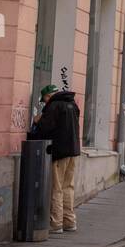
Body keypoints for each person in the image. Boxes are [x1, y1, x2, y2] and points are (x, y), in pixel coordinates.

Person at [30, 82, 81, 235]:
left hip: (59, 152)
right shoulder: (72, 105)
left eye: (44, 99)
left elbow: (46, 128)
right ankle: (69, 221)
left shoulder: (54, 106)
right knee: (68, 187)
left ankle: (56, 223)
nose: (45, 102)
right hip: (73, 151)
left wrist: (38, 121)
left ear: (48, 96)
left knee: (56, 188)